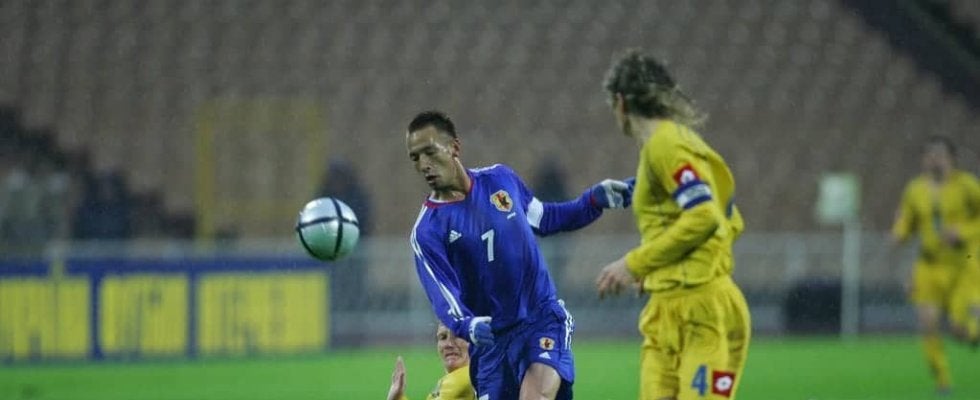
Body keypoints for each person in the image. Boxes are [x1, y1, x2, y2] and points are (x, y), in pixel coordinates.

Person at [406, 110, 632, 400]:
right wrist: (468, 325)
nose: (424, 164)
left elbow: (545, 219)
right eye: (415, 158)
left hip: (539, 320)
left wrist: (592, 201)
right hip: (490, 346)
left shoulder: (501, 179)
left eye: (430, 152)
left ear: (454, 147)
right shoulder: (427, 231)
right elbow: (443, 295)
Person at [594, 49, 751, 400]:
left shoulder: (666, 145)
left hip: (701, 310)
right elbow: (731, 219)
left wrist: (634, 264)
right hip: (669, 307)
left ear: (621, 103)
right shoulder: (674, 144)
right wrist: (662, 270)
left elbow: (705, 216)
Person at [891, 136, 980, 395]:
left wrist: (963, 231)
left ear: (952, 159)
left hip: (962, 265)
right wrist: (899, 233)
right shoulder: (915, 189)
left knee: (959, 329)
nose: (934, 160)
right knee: (927, 323)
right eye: (930, 155)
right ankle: (943, 381)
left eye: (940, 155)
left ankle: (972, 334)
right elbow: (907, 220)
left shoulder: (967, 186)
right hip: (928, 265)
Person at [386, 323, 474, 400]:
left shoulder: (460, 380)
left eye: (458, 336)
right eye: (443, 337)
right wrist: (398, 397)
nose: (449, 344)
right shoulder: (469, 378)